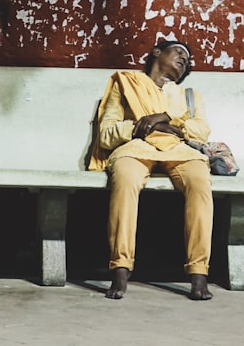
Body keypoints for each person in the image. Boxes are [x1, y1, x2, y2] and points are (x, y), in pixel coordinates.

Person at [88, 39, 213, 300]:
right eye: (179, 52)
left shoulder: (188, 95)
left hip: (179, 150)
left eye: (187, 60)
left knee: (200, 182)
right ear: (157, 51)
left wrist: (165, 119)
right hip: (136, 148)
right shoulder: (125, 83)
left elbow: (201, 131)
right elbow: (107, 134)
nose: (184, 59)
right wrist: (140, 127)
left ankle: (199, 274)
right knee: (125, 181)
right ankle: (121, 270)